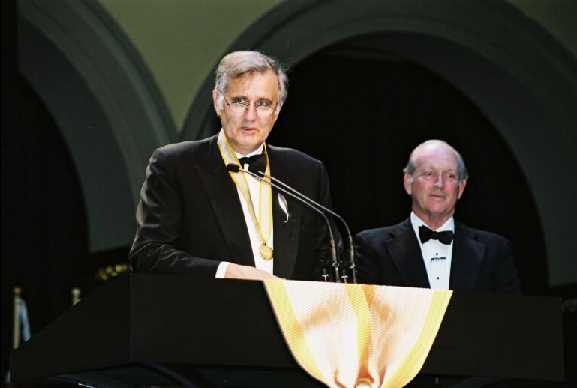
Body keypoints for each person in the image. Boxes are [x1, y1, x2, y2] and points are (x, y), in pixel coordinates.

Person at [129, 51, 333, 281]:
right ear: (218, 102)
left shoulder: (306, 172)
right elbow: (148, 254)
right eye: (240, 101)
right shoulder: (176, 164)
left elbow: (327, 261)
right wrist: (226, 272)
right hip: (213, 312)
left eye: (263, 104)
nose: (250, 116)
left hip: (288, 316)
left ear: (276, 112)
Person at [356, 140, 520, 292]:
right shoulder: (371, 247)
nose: (439, 184)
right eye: (429, 174)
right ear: (408, 182)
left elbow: (508, 318)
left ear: (461, 188)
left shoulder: (495, 250)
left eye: (450, 176)